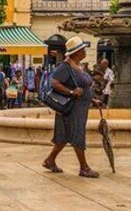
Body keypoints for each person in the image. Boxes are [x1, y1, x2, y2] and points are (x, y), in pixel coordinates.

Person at [42, 36, 101, 178]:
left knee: (64, 136)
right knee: (77, 134)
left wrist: (92, 99)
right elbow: (54, 83)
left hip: (79, 106)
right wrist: (71, 92)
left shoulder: (78, 66)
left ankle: (50, 160)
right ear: (77, 52)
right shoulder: (65, 66)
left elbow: (83, 87)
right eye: (83, 49)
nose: (85, 51)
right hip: (72, 107)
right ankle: (84, 168)